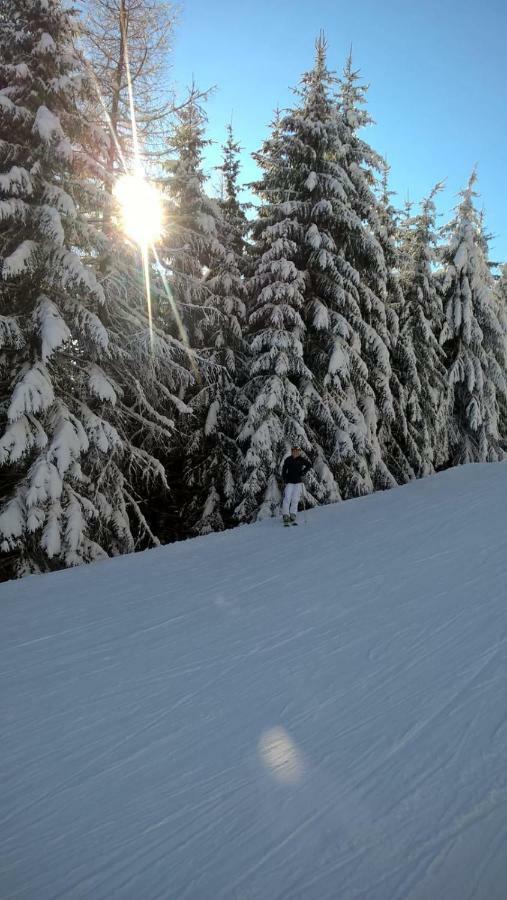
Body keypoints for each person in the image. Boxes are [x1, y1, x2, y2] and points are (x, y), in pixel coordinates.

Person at [281, 446, 312, 526]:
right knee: (287, 498)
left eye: (297, 451)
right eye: (294, 451)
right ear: (292, 452)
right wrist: (284, 478)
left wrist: (303, 472)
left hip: (298, 482)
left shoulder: (301, 459)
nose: (295, 453)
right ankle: (285, 515)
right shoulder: (288, 459)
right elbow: (284, 470)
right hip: (289, 482)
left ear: (299, 452)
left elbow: (309, 465)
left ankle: (293, 514)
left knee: (295, 498)